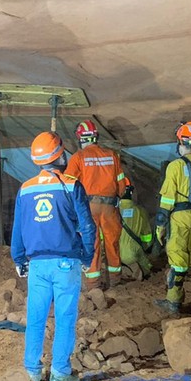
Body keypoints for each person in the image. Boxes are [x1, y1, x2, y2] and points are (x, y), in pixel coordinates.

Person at [11, 131, 96, 381]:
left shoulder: (25, 189)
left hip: (37, 265)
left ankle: (32, 375)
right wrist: (87, 255)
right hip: (66, 263)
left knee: (35, 318)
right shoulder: (71, 185)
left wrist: (19, 258)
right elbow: (88, 227)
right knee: (65, 318)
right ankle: (60, 373)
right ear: (61, 154)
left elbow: (18, 229)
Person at [153, 122, 191, 315]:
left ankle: (174, 302)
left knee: (178, 259)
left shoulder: (175, 166)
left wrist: (160, 226)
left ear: (180, 142)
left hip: (179, 216)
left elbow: (167, 200)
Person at [64, 119, 128, 290]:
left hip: (88, 207)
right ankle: (115, 281)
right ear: (96, 136)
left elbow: (69, 186)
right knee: (112, 243)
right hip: (109, 206)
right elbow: (122, 185)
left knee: (91, 243)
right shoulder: (112, 155)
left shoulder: (78, 157)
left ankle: (93, 285)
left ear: (80, 139)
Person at [117, 178, 153, 280]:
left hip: (114, 255)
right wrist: (146, 247)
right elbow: (147, 236)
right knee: (147, 267)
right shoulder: (140, 211)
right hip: (132, 253)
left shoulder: (112, 211)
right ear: (131, 192)